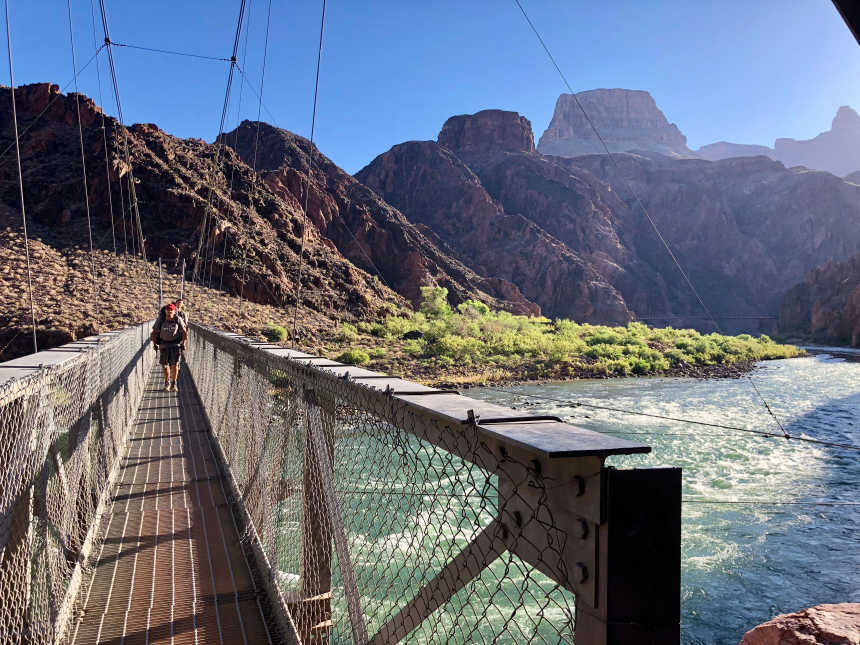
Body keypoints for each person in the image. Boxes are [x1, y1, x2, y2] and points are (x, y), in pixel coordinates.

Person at [151, 303, 187, 391]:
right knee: (165, 365)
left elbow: (184, 332)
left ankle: (174, 384)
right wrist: (155, 344)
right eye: (168, 310)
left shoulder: (178, 319)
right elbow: (154, 333)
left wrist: (184, 343)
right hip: (164, 345)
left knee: (175, 365)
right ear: (165, 311)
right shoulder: (161, 320)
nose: (169, 311)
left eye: (171, 310)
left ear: (175, 311)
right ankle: (167, 383)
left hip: (175, 345)